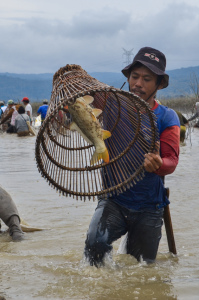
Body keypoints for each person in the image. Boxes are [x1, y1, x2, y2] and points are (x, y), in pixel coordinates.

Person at [84, 47, 180, 266]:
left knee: (144, 269)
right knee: (94, 245)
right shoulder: (111, 104)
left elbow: (171, 161)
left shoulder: (167, 117)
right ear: (127, 78)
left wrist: (158, 165)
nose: (138, 83)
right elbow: (82, 99)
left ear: (159, 84)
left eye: (147, 79)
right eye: (134, 77)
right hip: (113, 199)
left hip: (150, 206)